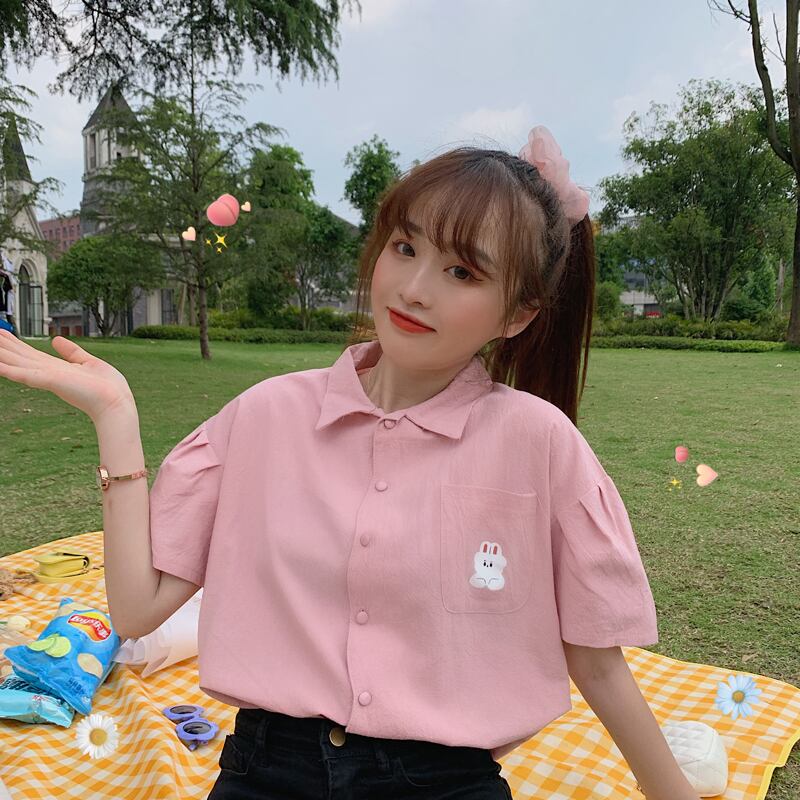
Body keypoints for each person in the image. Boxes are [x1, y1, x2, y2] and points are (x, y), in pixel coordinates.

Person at [0, 126, 700, 800]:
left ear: (517, 315)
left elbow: (598, 665)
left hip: (445, 782)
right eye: (405, 247)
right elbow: (136, 608)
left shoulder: (539, 444)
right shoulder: (266, 416)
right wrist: (115, 419)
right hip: (269, 771)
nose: (414, 288)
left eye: (461, 271)